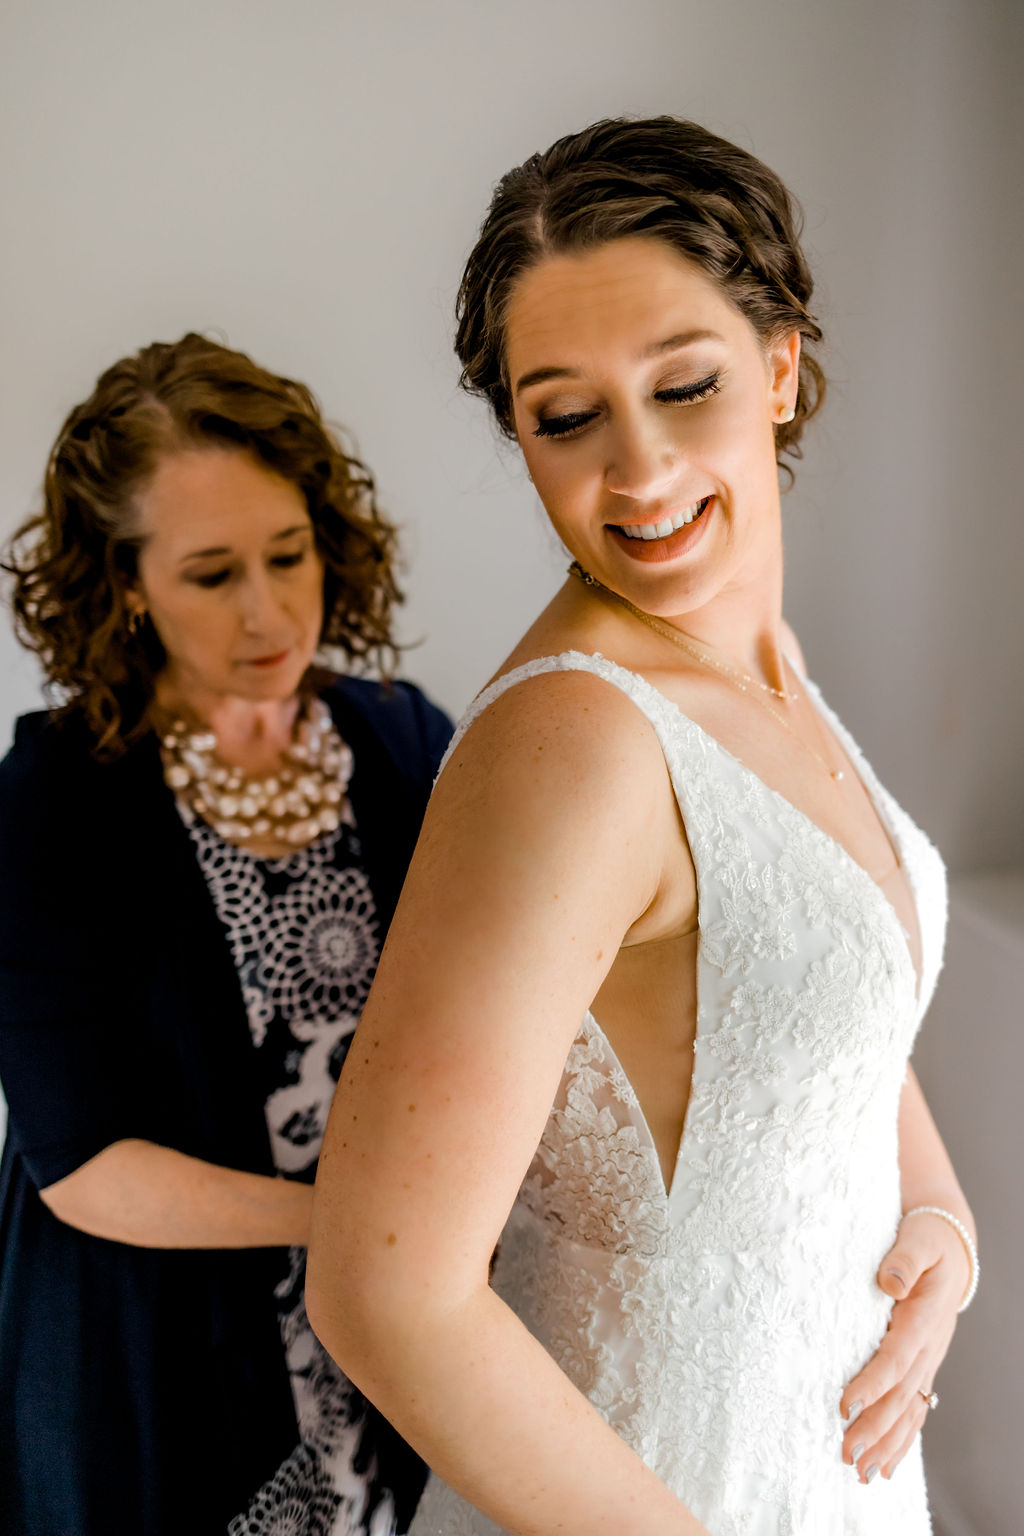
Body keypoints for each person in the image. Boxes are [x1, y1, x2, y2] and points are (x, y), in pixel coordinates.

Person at [305, 118, 978, 1536]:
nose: (640, 472)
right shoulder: (578, 743)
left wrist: (942, 1223)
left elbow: (810, 1001)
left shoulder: (755, 661)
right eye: (566, 416)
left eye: (684, 386)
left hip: (832, 1475)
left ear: (781, 367)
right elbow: (386, 1289)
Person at [0, 333, 451, 1536]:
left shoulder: (401, 743)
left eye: (288, 554)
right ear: (127, 583)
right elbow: (84, 1169)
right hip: (153, 1365)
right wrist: (365, 1222)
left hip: (373, 1342)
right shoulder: (60, 789)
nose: (269, 612)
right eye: (211, 574)